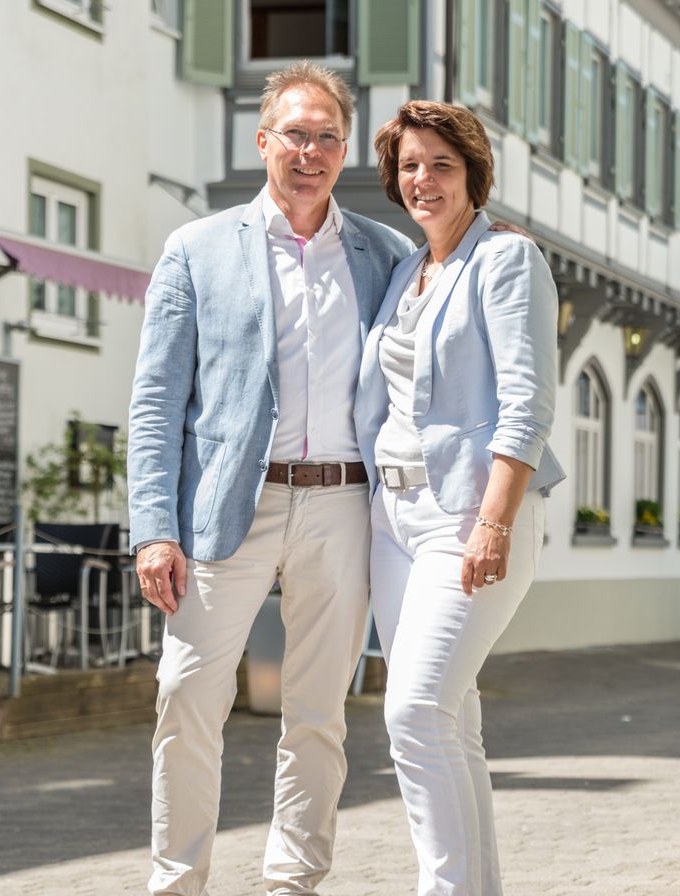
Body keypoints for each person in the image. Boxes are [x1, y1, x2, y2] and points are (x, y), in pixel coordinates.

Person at [127, 62, 416, 896]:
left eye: (328, 136)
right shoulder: (196, 249)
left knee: (319, 714)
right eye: (296, 133)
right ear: (263, 141)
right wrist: (155, 527)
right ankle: (177, 882)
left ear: (345, 148)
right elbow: (155, 403)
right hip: (228, 509)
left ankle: (293, 882)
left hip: (345, 506)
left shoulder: (382, 254)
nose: (312, 151)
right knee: (186, 701)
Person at [354, 100, 565, 895]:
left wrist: (492, 522)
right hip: (393, 520)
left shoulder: (506, 260)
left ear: (472, 174)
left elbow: (527, 403)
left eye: (441, 164)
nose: (423, 180)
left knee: (412, 713)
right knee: (452, 720)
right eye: (410, 165)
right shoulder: (410, 270)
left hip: (467, 515)